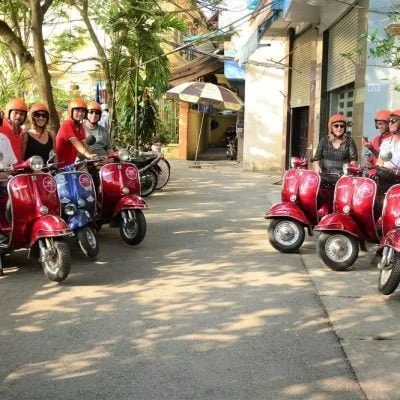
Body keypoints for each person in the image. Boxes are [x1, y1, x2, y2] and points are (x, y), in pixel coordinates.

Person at [55, 99, 95, 166]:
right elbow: (76, 143)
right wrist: (88, 155)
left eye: (82, 111)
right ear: (71, 111)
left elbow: (84, 144)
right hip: (60, 168)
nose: (80, 113)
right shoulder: (67, 125)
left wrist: (94, 155)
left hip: (71, 166)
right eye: (77, 110)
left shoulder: (80, 126)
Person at [0, 98, 28, 162]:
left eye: (21, 114)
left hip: (18, 169)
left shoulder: (22, 133)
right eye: (16, 113)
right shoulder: (1, 127)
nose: (18, 116)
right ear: (8, 113)